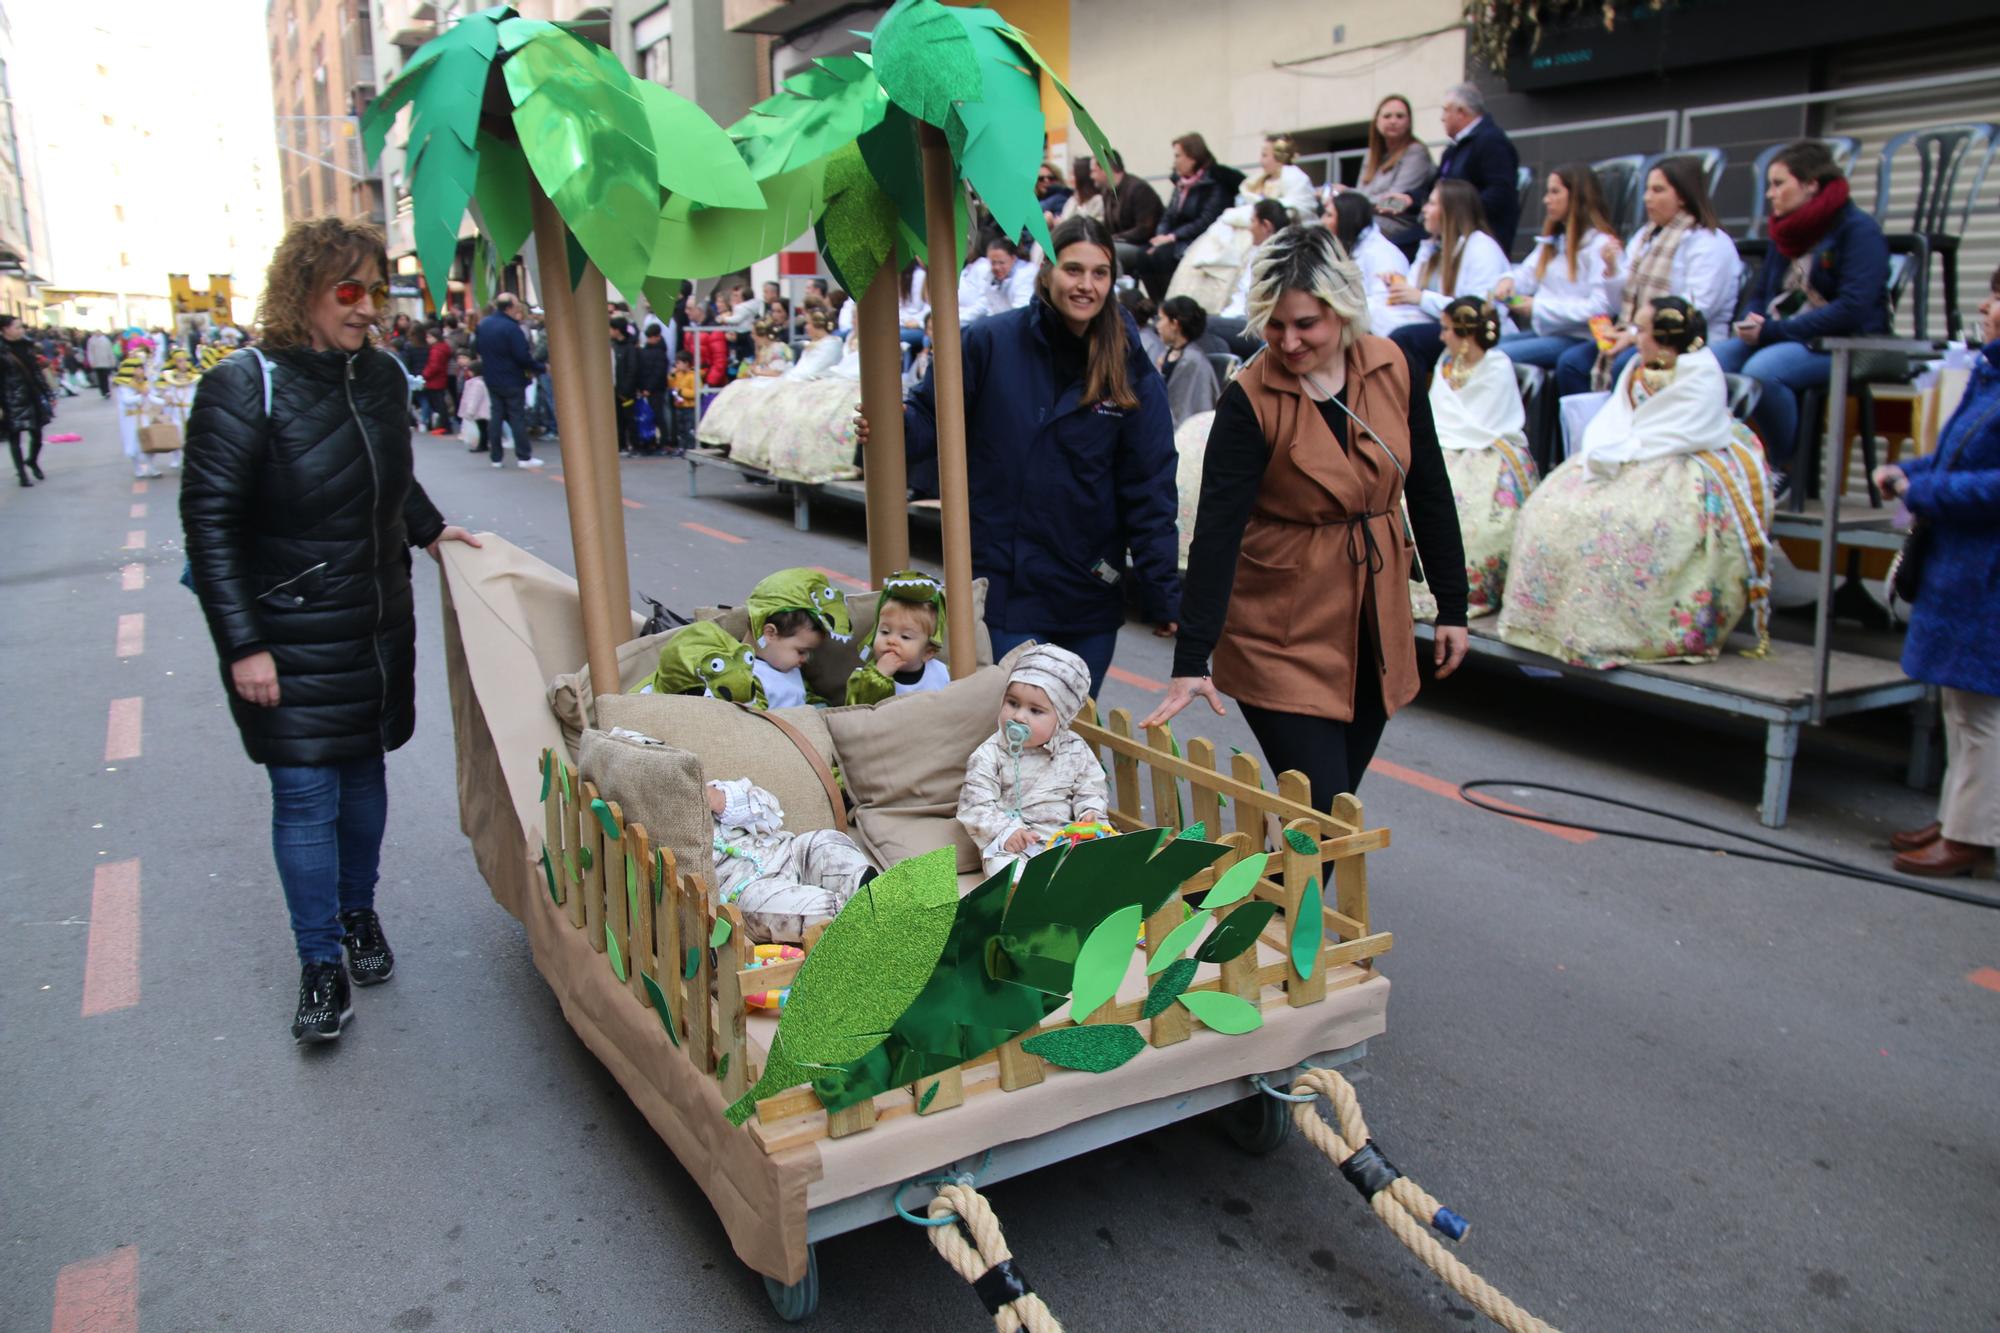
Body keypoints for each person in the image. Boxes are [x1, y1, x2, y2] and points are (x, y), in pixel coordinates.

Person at [179, 217, 481, 1044]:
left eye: (378, 291)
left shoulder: (381, 376)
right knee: (305, 791)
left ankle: (358, 913)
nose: (368, 308)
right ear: (301, 291)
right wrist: (244, 643)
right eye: (350, 291)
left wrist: (432, 530)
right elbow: (209, 524)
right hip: (287, 630)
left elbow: (388, 479)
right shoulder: (243, 385)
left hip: (376, 621)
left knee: (361, 773)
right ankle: (320, 962)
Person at [1145, 224, 1470, 810]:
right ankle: (1274, 901)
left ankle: (1265, 898)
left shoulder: (1393, 366)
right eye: (1275, 324)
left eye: (1306, 324)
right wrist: (1192, 659)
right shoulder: (1249, 398)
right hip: (1282, 630)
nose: (1288, 342)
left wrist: (1453, 605)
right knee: (1322, 805)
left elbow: (1429, 489)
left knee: (1327, 815)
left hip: (1375, 622)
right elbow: (1216, 535)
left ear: (1343, 312)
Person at [888, 215, 1181, 694]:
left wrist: (1161, 590)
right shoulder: (989, 342)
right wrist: (888, 422)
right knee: (1013, 735)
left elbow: (1150, 483)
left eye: (1100, 273)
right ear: (1046, 271)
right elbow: (927, 420)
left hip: (1087, 592)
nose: (1086, 285)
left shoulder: (1130, 365)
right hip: (1007, 587)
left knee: (1067, 745)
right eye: (1073, 269)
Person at [1498, 297, 1773, 667]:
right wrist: (1608, 451)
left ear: (1666, 335)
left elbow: (1688, 429)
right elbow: (1618, 415)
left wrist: (1630, 451)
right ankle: (1558, 620)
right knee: (1552, 506)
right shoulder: (1639, 367)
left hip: (1679, 458)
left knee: (1637, 524)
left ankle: (1627, 629)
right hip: (1633, 452)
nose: (1634, 336)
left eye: (1641, 330)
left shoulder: (1699, 370)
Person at [1869, 267, 2000, 878]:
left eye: (1999, 298)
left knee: (1981, 710)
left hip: (1987, 569)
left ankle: (1974, 835)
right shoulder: (1989, 373)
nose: (1986, 306)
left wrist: (1926, 487)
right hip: (1964, 561)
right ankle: (1957, 818)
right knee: (1960, 703)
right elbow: (1957, 454)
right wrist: (1913, 469)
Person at [1711, 140, 1890, 487]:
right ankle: (1724, 464)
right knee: (1708, 363)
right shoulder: (1787, 230)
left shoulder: (1858, 230)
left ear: (1811, 185)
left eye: (1779, 184)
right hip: (1786, 334)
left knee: (1765, 371)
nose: (1771, 195)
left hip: (1844, 342)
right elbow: (1761, 293)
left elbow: (1852, 310)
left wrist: (1773, 331)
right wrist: (1754, 319)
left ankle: (1785, 468)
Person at [1556, 158, 1739, 400]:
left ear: (1683, 196)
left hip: (1685, 344)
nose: (1647, 198)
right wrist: (1612, 269)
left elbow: (1697, 309)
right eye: (1647, 190)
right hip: (1638, 333)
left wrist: (1635, 334)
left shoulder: (1709, 242)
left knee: (1625, 366)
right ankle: (1585, 434)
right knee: (1572, 363)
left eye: (1658, 190)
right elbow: (1620, 301)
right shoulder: (1645, 236)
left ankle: (1625, 434)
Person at [957, 645, 1109, 879]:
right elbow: (975, 805)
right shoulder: (989, 754)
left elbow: (1090, 787)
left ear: (1062, 719)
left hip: (1067, 839)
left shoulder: (1075, 749)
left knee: (1106, 856)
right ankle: (1022, 894)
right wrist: (1005, 831)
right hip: (1016, 845)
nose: (1018, 716)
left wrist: (1090, 812)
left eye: (1035, 711)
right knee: (1003, 869)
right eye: (1013, 703)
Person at [1430, 297, 1537, 616]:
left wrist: (1456, 438)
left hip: (1488, 446)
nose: (1441, 336)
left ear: (1464, 334)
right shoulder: (1445, 364)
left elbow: (1489, 417)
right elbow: (1439, 409)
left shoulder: (1497, 365)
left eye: (1447, 329)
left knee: (1470, 510)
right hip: (1447, 443)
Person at [705, 772, 877, 945]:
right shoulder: (684, 838)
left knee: (826, 842)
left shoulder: (717, 790)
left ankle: (869, 893)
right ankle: (855, 919)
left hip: (787, 851)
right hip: (745, 889)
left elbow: (770, 811)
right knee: (778, 907)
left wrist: (720, 800)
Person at [1167, 135, 1318, 313]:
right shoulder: (1259, 181)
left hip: (1263, 233)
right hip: (1250, 227)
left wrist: (1251, 215)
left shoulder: (1294, 179)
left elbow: (1295, 209)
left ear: (1280, 155)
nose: (1261, 160)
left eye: (1265, 155)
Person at [1493, 164, 1620, 373]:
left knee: (1495, 359)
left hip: (1577, 337)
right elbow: (1527, 273)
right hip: (1545, 332)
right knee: (1481, 351)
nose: (1546, 199)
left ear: (1577, 196)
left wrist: (1538, 307)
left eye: (1555, 192)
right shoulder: (1553, 241)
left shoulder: (1600, 245)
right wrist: (1508, 282)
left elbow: (1600, 308)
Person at [1385, 179, 1511, 377]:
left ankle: (1412, 406)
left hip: (1475, 334)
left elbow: (1475, 310)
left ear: (1452, 210)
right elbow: (1413, 289)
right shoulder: (1433, 246)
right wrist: (1397, 285)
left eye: (1432, 203)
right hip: (1444, 325)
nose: (1424, 209)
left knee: (1406, 338)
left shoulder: (1481, 248)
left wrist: (1421, 298)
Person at [1128, 133, 1245, 302]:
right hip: (1175, 238)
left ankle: (1172, 305)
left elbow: (1206, 220)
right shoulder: (1181, 183)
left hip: (1199, 239)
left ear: (1192, 157)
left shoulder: (1215, 183)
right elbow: (1168, 215)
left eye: (1178, 156)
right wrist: (1161, 236)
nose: (1174, 161)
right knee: (1143, 254)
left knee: (1162, 256)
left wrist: (1171, 237)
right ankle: (1159, 304)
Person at [1411, 83, 1523, 253]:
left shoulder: (1492, 142)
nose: (1442, 118)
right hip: (1447, 233)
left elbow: (1500, 193)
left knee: (1402, 245)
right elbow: (1435, 189)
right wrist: (1408, 199)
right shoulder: (1453, 149)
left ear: (1461, 112)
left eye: (1446, 110)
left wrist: (1455, 212)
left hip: (1476, 239)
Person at [744, 567, 852, 708]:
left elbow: (803, 696)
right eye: (801, 651)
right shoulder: (745, 678)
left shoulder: (785, 666)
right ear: (770, 633)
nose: (806, 659)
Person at [1342, 94, 1435, 252]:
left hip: (1396, 225)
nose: (1393, 121)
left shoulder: (1416, 152)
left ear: (1409, 121)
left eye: (1400, 116)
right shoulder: (1371, 154)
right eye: (1387, 116)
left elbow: (1392, 204)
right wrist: (1344, 193)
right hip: (1368, 221)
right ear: (1377, 121)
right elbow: (1361, 196)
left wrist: (1352, 198)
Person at [845, 570, 952, 705]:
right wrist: (879, 677)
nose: (891, 640)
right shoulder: (864, 679)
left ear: (927, 652)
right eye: (884, 632)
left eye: (905, 637)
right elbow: (857, 712)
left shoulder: (940, 673)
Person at [1327, 191, 1420, 337]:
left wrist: (1341, 305)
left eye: (1329, 215)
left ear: (1346, 220)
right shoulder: (1348, 247)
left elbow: (1385, 308)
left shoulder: (1382, 254)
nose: (1322, 221)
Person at [1210, 198, 1294, 356]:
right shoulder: (1256, 251)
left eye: (1253, 221)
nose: (1249, 228)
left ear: (1266, 226)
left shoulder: (1278, 256)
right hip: (1239, 317)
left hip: (1255, 325)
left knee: (1202, 325)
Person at [474, 293, 544, 468]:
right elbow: (522, 355)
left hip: (491, 376)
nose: (518, 309)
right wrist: (539, 367)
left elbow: (476, 347)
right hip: (512, 377)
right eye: (517, 306)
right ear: (509, 307)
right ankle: (524, 456)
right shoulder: (511, 328)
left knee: (496, 415)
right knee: (516, 416)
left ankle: (496, 457)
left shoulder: (484, 325)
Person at [2, 315, 51, 486]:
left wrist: (47, 392)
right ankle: (22, 474)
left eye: (21, 326)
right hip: (11, 399)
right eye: (17, 327)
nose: (21, 329)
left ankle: (32, 460)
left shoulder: (27, 345)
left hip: (32, 395)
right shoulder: (2, 350)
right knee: (15, 438)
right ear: (5, 329)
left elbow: (36, 371)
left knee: (37, 434)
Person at [1156, 295, 1221, 426]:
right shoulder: (1167, 354)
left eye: (1161, 319)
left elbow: (1182, 407)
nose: (1158, 325)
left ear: (1174, 324)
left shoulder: (1193, 360)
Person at [958, 236, 1039, 326]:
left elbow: (1020, 314)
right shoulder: (991, 275)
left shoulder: (1025, 275)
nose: (997, 267)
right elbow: (984, 305)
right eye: (993, 263)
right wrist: (957, 321)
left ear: (1013, 259)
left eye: (1001, 263)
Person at [1098, 150, 1164, 261]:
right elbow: (1107, 227)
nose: (1091, 176)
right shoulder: (1107, 193)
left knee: (1106, 252)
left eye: (1093, 171)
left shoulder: (1139, 190)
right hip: (1121, 242)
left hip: (1144, 245)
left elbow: (1144, 230)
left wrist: (1114, 238)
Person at [638, 322, 671, 455]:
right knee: (655, 415)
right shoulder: (657, 352)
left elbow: (658, 373)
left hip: (655, 390)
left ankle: (662, 441)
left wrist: (647, 388)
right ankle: (654, 441)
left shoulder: (657, 353)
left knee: (657, 415)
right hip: (652, 389)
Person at [610, 314, 640, 457]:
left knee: (630, 418)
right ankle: (620, 445)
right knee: (618, 419)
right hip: (615, 388)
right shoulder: (614, 346)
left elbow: (633, 369)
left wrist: (626, 389)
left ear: (618, 330)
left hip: (626, 391)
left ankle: (634, 445)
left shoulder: (629, 347)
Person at [421, 325, 454, 436]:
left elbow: (434, 365)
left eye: (429, 337)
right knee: (440, 403)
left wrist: (424, 374)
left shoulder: (436, 350)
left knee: (439, 404)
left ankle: (445, 426)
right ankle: (444, 425)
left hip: (435, 380)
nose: (427, 339)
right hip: (439, 379)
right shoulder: (441, 348)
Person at [457, 356, 491, 455]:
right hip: (481, 410)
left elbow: (474, 398)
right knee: (483, 428)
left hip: (478, 410)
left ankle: (482, 445)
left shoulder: (476, 384)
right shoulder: (481, 382)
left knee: (482, 428)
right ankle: (483, 444)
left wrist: (470, 410)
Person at [1055, 156, 1102, 226]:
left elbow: (1089, 226)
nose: (1070, 178)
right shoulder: (1072, 200)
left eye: (1073, 174)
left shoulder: (1097, 201)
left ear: (1082, 177)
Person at [667, 350, 697, 455]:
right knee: (681, 429)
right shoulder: (678, 375)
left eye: (679, 363)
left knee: (690, 429)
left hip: (690, 407)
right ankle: (681, 447)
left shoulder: (693, 376)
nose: (677, 365)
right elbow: (672, 386)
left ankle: (691, 449)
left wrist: (682, 392)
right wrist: (671, 376)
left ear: (687, 363)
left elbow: (696, 392)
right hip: (679, 405)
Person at [87, 329, 117, 397]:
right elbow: (90, 352)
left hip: (105, 362)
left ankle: (107, 391)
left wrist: (112, 360)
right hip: (97, 362)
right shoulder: (91, 341)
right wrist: (91, 361)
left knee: (105, 377)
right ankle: (103, 390)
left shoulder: (106, 340)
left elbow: (110, 351)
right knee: (100, 377)